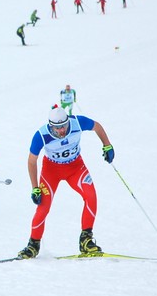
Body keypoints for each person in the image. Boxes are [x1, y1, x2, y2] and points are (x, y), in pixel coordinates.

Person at [16, 106, 113, 259]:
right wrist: (35, 188)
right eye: (57, 128)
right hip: (51, 172)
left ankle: (86, 240)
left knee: (91, 196)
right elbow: (31, 161)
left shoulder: (77, 122)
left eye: (64, 126)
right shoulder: (41, 135)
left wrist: (107, 145)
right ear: (50, 126)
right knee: (43, 207)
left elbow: (97, 126)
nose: (61, 131)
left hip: (75, 168)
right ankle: (33, 245)